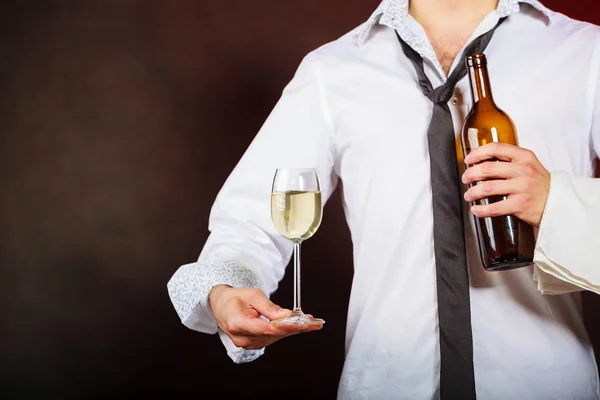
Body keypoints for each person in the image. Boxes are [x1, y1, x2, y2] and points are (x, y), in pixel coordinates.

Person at [167, 0, 600, 398]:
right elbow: (249, 223)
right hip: (385, 386)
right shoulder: (331, 71)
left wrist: (556, 202)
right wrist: (225, 293)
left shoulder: (585, 54)